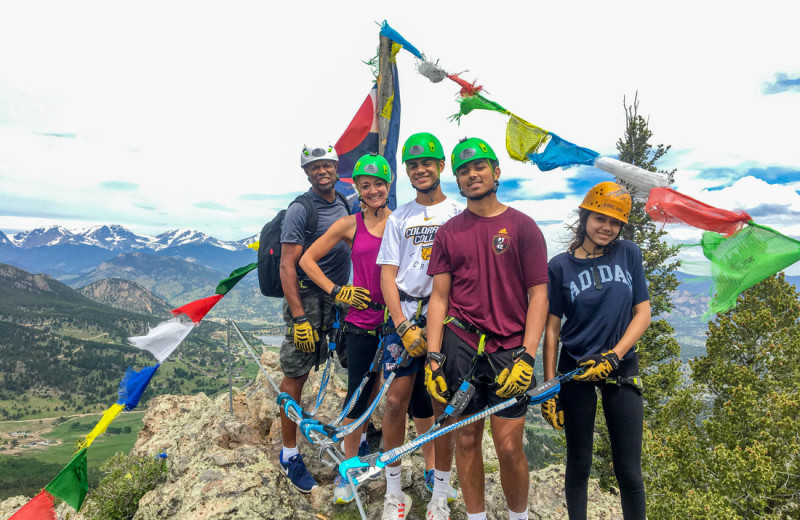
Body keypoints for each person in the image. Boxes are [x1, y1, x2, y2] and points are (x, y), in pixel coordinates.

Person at [425, 137, 548, 520]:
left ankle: (519, 516)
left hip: (510, 349)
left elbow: (538, 297)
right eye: (463, 170)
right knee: (464, 438)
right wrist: (433, 358)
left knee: (510, 448)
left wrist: (528, 355)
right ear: (457, 182)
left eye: (479, 167)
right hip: (460, 344)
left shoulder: (523, 227)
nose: (471, 174)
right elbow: (439, 299)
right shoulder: (449, 233)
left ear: (496, 172)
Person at [541, 181, 651, 520]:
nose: (607, 227)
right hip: (575, 367)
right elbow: (552, 328)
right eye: (600, 218)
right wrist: (548, 388)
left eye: (615, 222)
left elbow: (642, 313)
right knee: (579, 464)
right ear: (585, 217)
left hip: (621, 366)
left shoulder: (628, 253)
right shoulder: (559, 267)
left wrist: (615, 355)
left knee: (629, 471)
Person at [377, 132, 463, 520]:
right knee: (395, 402)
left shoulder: (460, 215)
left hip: (446, 318)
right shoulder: (400, 217)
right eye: (413, 165)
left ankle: (440, 495)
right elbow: (388, 275)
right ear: (407, 173)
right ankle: (393, 491)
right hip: (407, 313)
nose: (420, 169)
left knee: (443, 405)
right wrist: (402, 324)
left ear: (441, 166)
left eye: (427, 162)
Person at [299, 153, 393, 505]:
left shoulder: (399, 223)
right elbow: (307, 260)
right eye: (365, 185)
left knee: (378, 395)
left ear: (388, 185)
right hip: (361, 323)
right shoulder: (350, 224)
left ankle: (365, 453)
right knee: (357, 397)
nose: (372, 191)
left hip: (394, 324)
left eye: (378, 184)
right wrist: (337, 291)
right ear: (357, 189)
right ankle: (345, 471)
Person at [277, 144, 351, 494]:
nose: (322, 171)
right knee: (296, 373)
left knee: (355, 362)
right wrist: (298, 317)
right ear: (306, 173)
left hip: (337, 298)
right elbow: (287, 264)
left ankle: (356, 441)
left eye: (327, 165)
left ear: (337, 168)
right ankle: (289, 453)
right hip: (307, 299)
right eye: (315, 167)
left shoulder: (345, 204)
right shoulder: (300, 209)